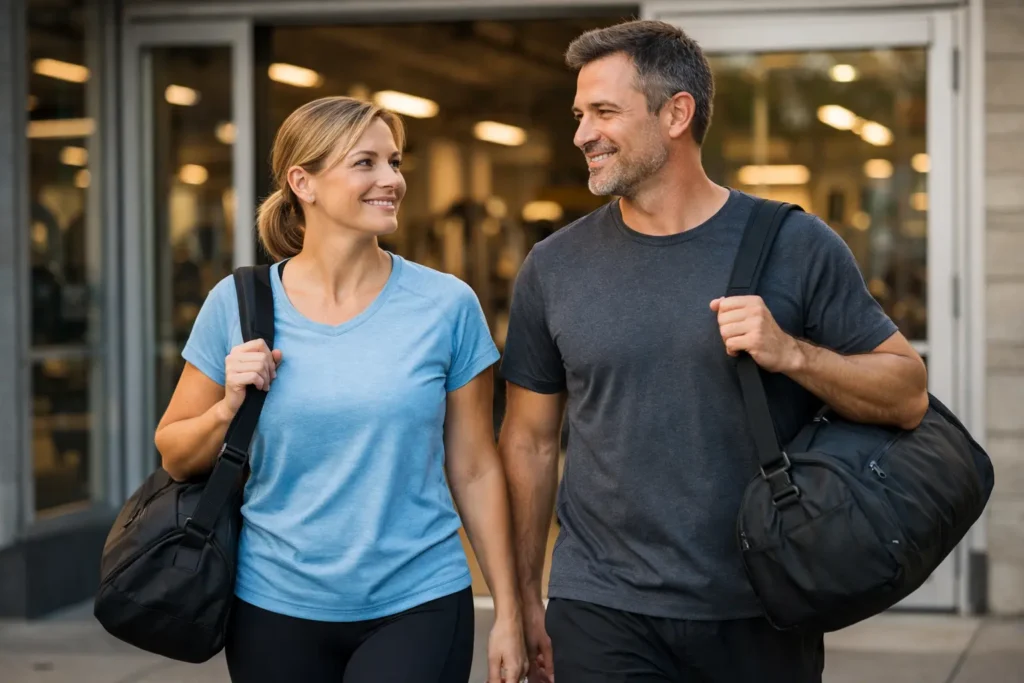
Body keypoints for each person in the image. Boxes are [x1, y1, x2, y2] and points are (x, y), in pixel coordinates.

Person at [497, 19, 930, 683]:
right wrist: (524, 597)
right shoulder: (552, 267)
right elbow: (529, 442)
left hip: (759, 602)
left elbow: (907, 392)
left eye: (604, 111)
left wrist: (793, 354)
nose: (582, 133)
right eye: (580, 114)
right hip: (602, 603)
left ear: (676, 113)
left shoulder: (794, 243)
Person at [155, 96, 528, 683]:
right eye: (366, 163)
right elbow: (175, 454)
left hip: (418, 598)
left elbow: (476, 467)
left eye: (395, 162)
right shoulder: (238, 303)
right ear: (303, 181)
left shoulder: (447, 305)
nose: (392, 180)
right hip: (273, 605)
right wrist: (228, 407)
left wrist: (509, 610)